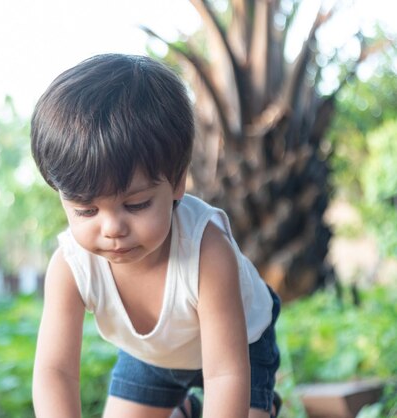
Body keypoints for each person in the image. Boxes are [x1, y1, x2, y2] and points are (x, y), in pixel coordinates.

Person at [30, 53, 281, 418]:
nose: (112, 228)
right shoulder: (70, 267)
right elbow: (55, 371)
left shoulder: (206, 251)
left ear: (177, 183)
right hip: (150, 357)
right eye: (86, 211)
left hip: (240, 348)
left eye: (136, 205)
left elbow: (225, 373)